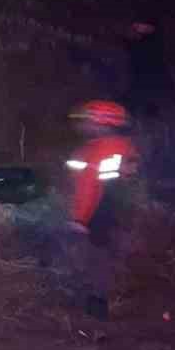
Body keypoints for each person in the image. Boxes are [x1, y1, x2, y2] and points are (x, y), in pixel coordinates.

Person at [63, 100, 140, 320]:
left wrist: (79, 219)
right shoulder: (124, 146)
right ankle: (101, 297)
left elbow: (89, 187)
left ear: (101, 123)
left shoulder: (99, 149)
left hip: (99, 213)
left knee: (95, 259)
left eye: (88, 120)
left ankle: (95, 305)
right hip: (117, 211)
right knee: (106, 258)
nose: (83, 125)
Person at [123, 18, 170, 119]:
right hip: (136, 77)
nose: (140, 28)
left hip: (150, 79)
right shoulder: (134, 39)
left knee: (149, 104)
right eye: (137, 26)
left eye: (143, 26)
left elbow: (155, 61)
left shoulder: (154, 40)